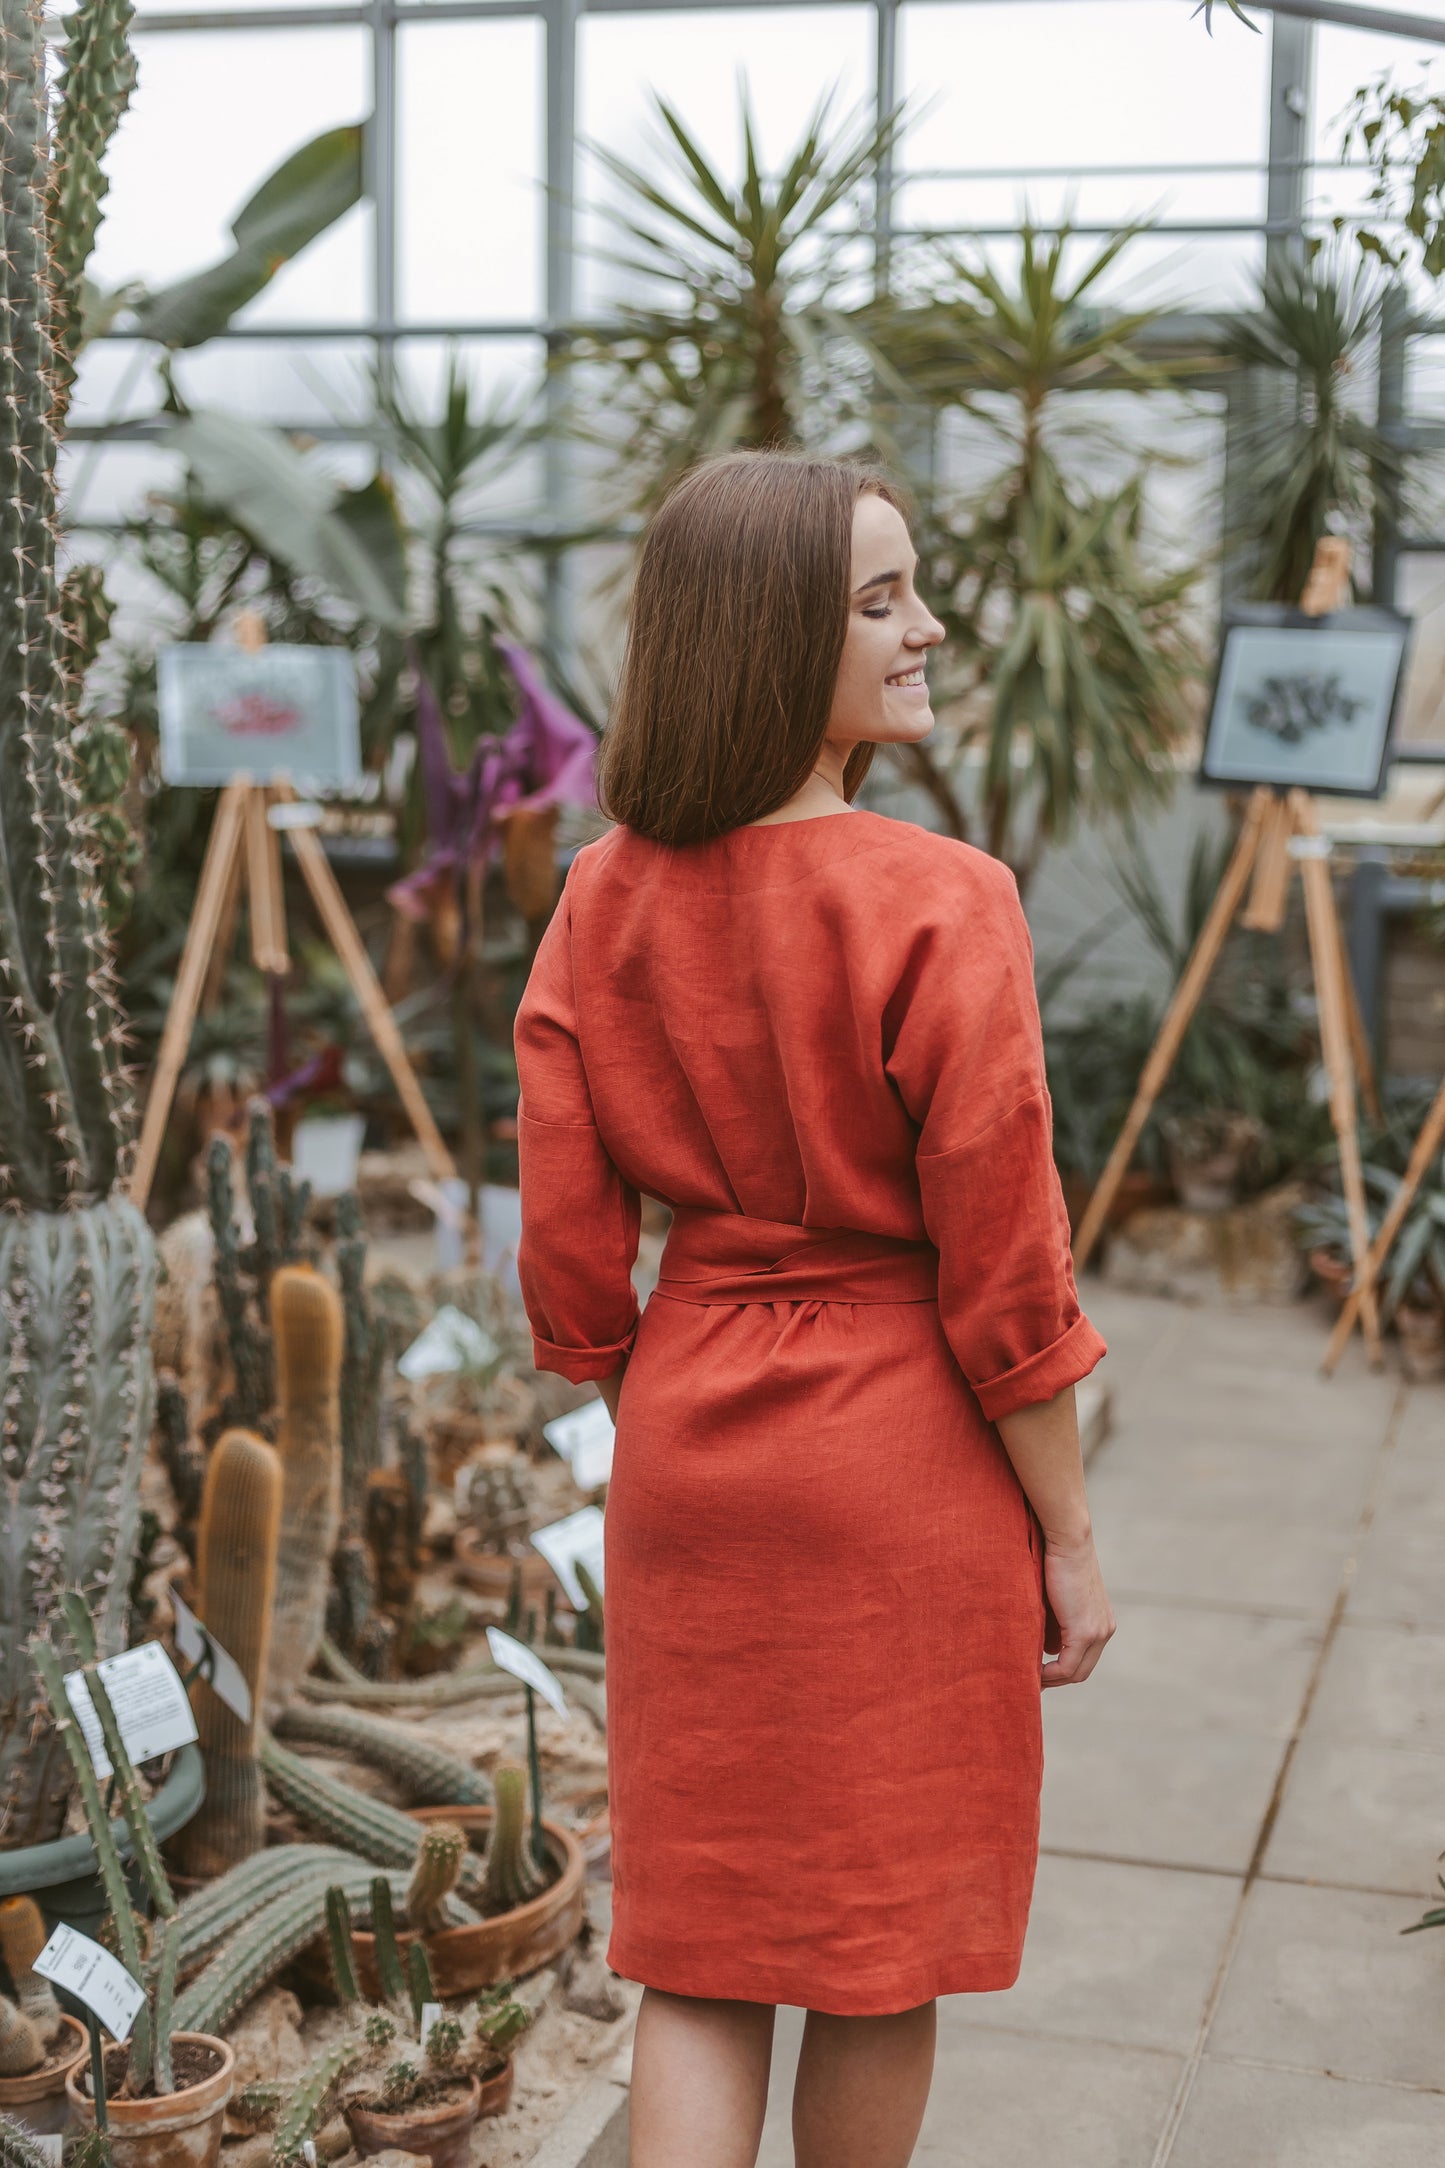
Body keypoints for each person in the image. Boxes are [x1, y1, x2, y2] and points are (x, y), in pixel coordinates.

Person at [513, 450, 1115, 2168]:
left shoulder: (598, 898)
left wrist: (659, 1407)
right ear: (774, 640)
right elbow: (1007, 1266)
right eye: (879, 602)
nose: (927, 627)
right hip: (901, 1464)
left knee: (697, 1959)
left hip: (692, 1444)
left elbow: (568, 1246)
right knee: (867, 1960)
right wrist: (1063, 1533)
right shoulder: (943, 899)